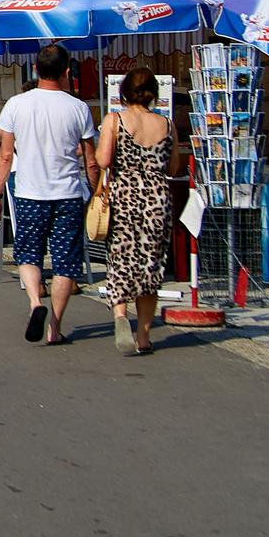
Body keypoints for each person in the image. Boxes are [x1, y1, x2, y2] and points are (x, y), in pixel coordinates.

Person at [0, 43, 99, 347]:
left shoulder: (16, 104)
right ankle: (55, 327)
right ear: (67, 72)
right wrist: (96, 191)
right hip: (67, 194)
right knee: (65, 263)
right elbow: (90, 160)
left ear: (35, 69)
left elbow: (6, 156)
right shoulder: (79, 108)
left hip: (28, 193)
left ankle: (36, 302)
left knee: (28, 254)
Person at [95, 70, 174, 356]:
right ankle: (143, 335)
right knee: (150, 265)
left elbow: (103, 160)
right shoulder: (167, 124)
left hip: (124, 198)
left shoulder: (115, 120)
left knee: (121, 260)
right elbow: (173, 168)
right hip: (157, 199)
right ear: (154, 93)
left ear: (123, 93)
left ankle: (120, 318)